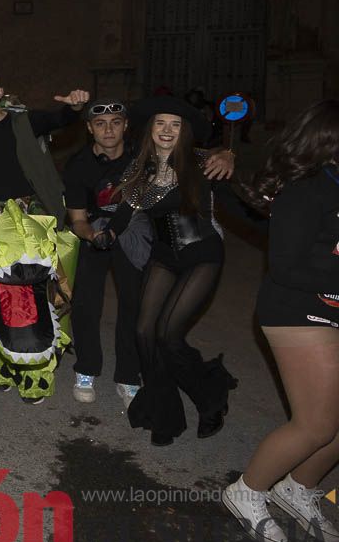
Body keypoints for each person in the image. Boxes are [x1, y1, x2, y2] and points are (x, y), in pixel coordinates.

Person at [64, 99, 235, 406]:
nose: (108, 130)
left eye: (116, 122)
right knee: (86, 302)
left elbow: (197, 154)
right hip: (96, 229)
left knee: (136, 304)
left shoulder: (142, 153)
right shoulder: (80, 164)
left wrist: (227, 153)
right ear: (89, 128)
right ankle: (86, 370)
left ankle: (128, 377)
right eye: (100, 124)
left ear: (127, 126)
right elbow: (77, 219)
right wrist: (94, 235)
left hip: (140, 231)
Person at [223, 100, 339, 542]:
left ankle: (298, 487)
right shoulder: (307, 189)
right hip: (297, 311)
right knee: (316, 425)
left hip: (332, 310)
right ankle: (247, 490)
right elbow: (286, 266)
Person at [105, 97, 238, 447]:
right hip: (164, 256)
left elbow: (238, 195)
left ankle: (210, 398)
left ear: (185, 131)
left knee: (167, 334)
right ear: (150, 129)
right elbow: (121, 217)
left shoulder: (201, 161)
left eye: (175, 124)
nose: (167, 130)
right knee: (143, 332)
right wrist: (98, 235)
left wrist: (229, 154)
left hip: (203, 253)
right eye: (160, 123)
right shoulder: (139, 170)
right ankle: (164, 413)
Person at [0, 67, 89, 222]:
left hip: (32, 210)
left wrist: (75, 106)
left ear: (0, 92)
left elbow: (60, 119)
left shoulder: (26, 122)